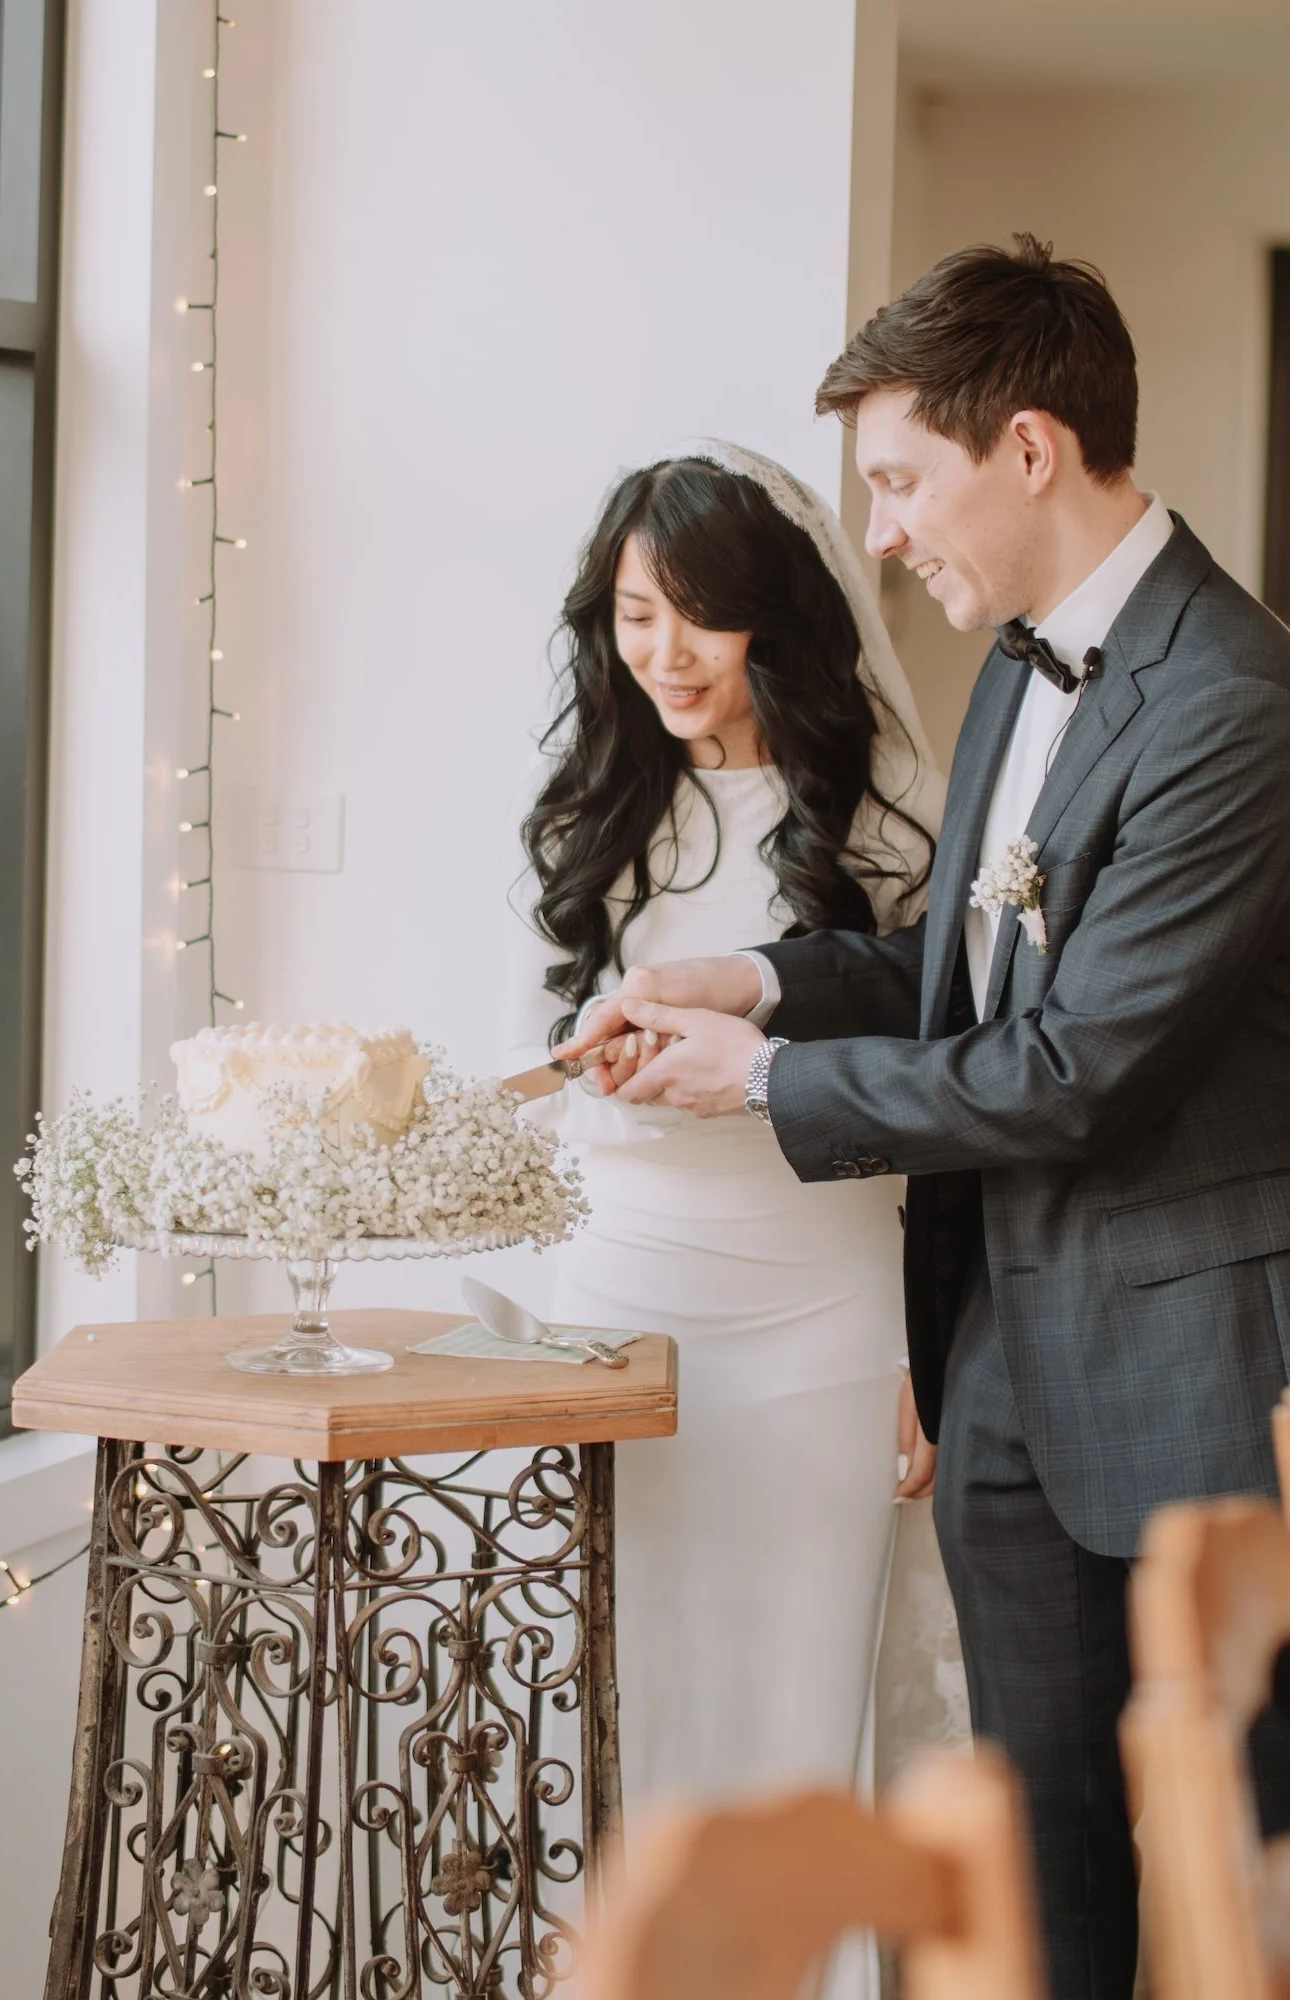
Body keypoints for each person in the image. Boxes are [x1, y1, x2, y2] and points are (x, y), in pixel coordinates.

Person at [556, 239, 1290, 2000]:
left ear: (1026, 450)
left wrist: (765, 1086)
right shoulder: (1021, 676)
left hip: (1176, 1393)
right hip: (1004, 1382)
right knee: (1040, 1898)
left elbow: (1075, 1067)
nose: (878, 532)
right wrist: (764, 987)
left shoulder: (1230, 701)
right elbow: (966, 983)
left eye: (899, 481)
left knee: (1215, 1892)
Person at [508, 440, 946, 2000]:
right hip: (614, 1310)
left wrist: (933, 1350)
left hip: (821, 1314)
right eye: (635, 616)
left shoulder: (885, 821)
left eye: (701, 615)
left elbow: (941, 1095)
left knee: (787, 1734)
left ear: (778, 614)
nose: (666, 655)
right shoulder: (598, 803)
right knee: (610, 1719)